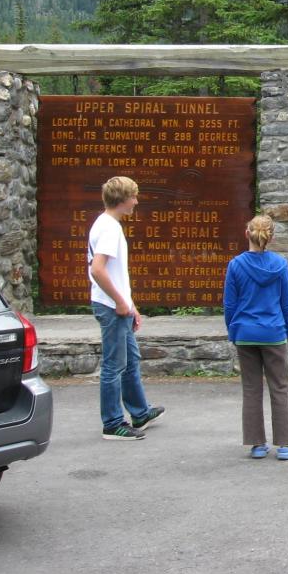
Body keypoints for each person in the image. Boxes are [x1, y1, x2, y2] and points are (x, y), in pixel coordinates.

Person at [88, 175, 164, 441]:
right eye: (133, 196)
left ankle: (140, 412)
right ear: (122, 199)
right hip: (111, 306)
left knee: (131, 360)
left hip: (117, 304)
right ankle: (112, 423)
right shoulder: (109, 228)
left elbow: (116, 273)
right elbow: (97, 269)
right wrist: (120, 303)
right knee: (114, 366)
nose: (136, 201)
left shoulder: (107, 224)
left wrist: (131, 305)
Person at [223, 214, 288, 461]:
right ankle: (286, 444)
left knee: (251, 388)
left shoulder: (236, 265)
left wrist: (233, 330)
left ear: (246, 234)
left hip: (245, 332)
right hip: (273, 331)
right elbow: (286, 303)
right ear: (271, 237)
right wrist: (286, 328)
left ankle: (257, 444)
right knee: (280, 387)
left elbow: (229, 304)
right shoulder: (279, 265)